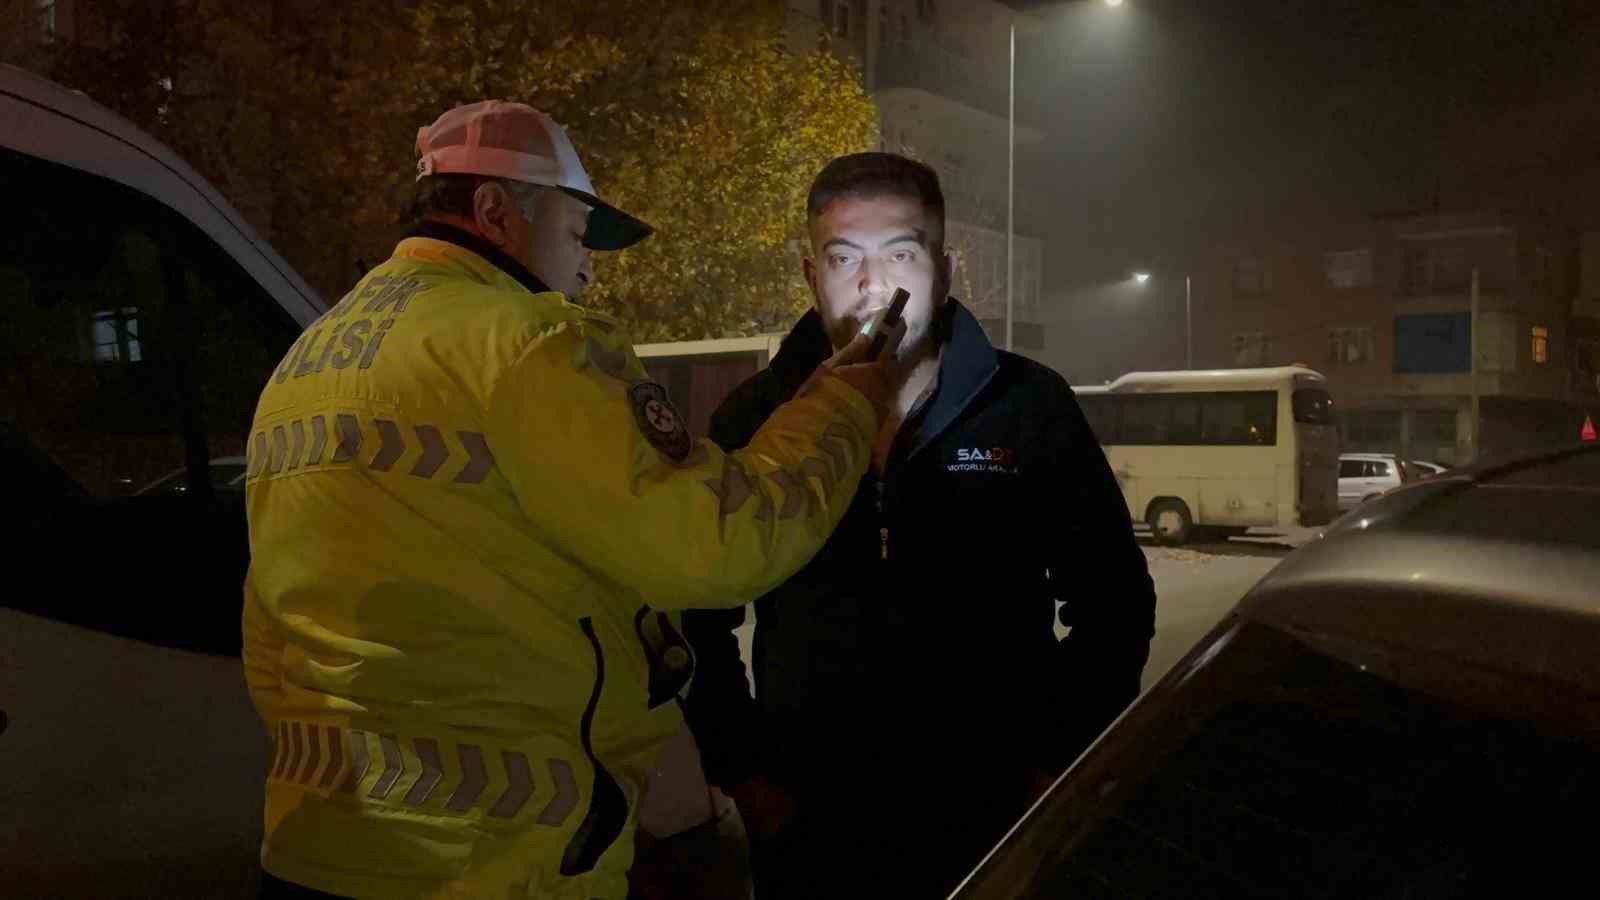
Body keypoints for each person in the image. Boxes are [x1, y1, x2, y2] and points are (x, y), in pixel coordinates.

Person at [240, 101, 895, 900]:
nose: (588, 268)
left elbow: (270, 625)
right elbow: (712, 543)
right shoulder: (527, 344)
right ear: (494, 212)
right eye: (577, 234)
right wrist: (843, 405)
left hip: (317, 846)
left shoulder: (307, 361)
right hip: (494, 859)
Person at [683, 152, 1157, 899]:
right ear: (810, 276)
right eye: (845, 259)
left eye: (900, 254)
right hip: (810, 825)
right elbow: (695, 614)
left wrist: (1055, 761)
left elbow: (1114, 600)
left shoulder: (1028, 404)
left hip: (993, 817)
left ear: (944, 268)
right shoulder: (756, 415)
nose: (874, 285)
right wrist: (746, 774)